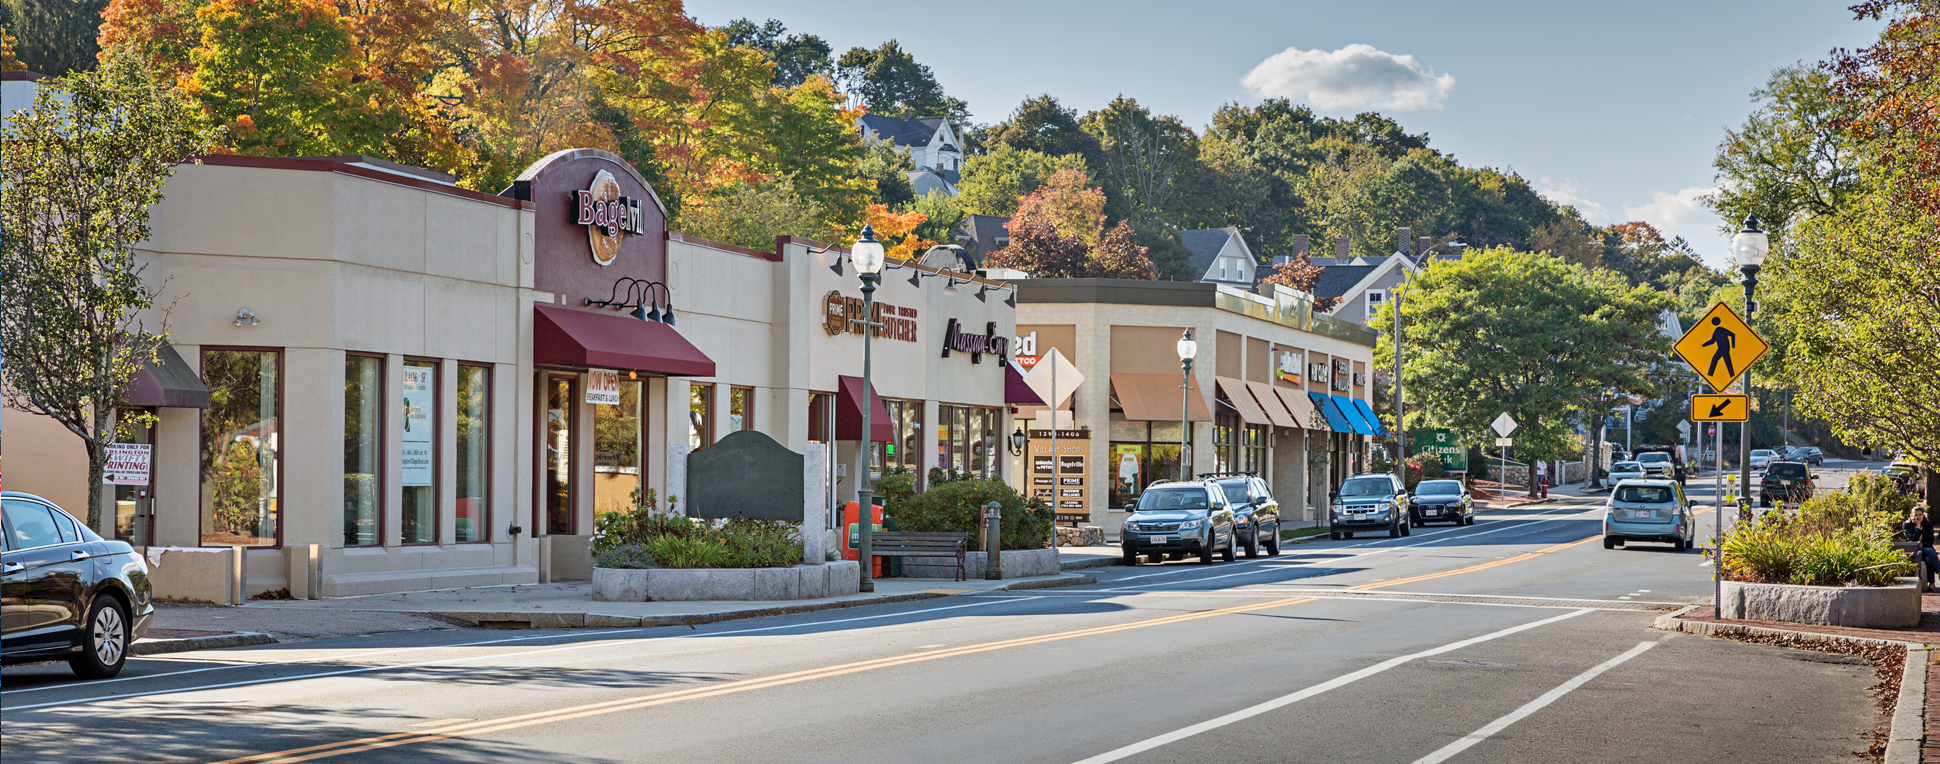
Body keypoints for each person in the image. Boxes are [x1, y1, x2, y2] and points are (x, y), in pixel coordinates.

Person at [1905, 505, 1938, 590]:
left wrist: (1921, 544)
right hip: (1914, 550)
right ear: (1911, 515)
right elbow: (1912, 539)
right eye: (1915, 515)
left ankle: (1931, 583)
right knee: (1930, 551)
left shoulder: (1928, 524)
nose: (1918, 517)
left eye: (1920, 514)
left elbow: (1930, 540)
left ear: (1923, 515)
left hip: (1925, 548)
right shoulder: (1907, 525)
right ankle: (1938, 574)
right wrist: (1918, 526)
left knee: (1928, 559)